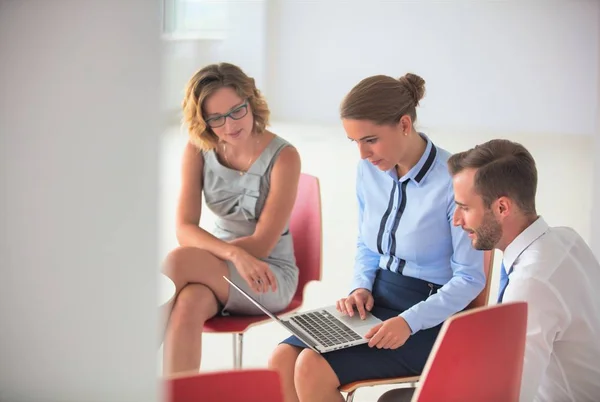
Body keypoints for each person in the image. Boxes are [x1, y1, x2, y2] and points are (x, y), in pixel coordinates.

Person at [267, 73, 486, 402]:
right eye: (354, 141)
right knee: (281, 361)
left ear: (404, 124)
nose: (362, 154)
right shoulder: (369, 170)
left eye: (370, 140)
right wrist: (361, 286)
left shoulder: (453, 181)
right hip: (377, 301)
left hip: (431, 317)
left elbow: (470, 278)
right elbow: (367, 244)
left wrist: (408, 322)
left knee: (311, 367)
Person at [160, 63, 301, 375]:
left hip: (266, 272)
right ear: (204, 121)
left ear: (250, 101)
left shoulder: (284, 156)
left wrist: (226, 255)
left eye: (237, 110)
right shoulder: (198, 150)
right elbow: (184, 226)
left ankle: (120, 357)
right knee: (187, 306)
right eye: (217, 118)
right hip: (218, 263)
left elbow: (263, 243)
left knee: (178, 261)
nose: (230, 124)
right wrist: (231, 253)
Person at [449, 139, 600, 401]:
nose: (456, 220)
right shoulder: (566, 239)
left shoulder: (532, 283)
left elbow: (509, 396)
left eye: (464, 207)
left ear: (502, 208)